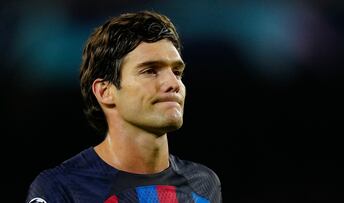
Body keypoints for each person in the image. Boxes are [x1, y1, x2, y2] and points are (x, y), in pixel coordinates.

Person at [26, 10, 222, 203]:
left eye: (177, 72)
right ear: (105, 92)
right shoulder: (59, 187)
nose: (173, 83)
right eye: (150, 71)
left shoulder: (205, 184)